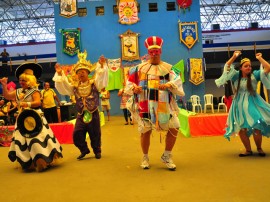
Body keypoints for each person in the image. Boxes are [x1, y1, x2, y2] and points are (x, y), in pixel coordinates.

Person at [125, 36, 185, 170]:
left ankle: (167, 155)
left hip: (164, 106)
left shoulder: (170, 68)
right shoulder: (138, 69)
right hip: (145, 105)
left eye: (156, 52)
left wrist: (169, 84)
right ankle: (145, 157)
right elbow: (129, 84)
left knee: (174, 126)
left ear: (160, 52)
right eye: (151, 52)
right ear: (148, 53)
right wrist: (134, 88)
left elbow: (177, 82)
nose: (154, 54)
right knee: (145, 131)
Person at [0, 63, 63, 172]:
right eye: (20, 80)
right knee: (22, 140)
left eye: (23, 80)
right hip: (22, 119)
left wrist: (27, 104)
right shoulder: (18, 91)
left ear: (30, 81)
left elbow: (38, 102)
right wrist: (4, 86)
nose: (21, 82)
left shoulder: (35, 91)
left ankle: (42, 161)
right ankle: (28, 163)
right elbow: (7, 96)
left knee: (37, 139)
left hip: (35, 118)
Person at [53, 50, 108, 160]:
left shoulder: (94, 83)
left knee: (95, 134)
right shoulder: (74, 86)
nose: (81, 73)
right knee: (77, 134)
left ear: (88, 73)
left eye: (83, 71)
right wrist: (60, 74)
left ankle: (97, 151)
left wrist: (102, 67)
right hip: (81, 114)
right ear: (76, 74)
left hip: (93, 113)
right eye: (79, 72)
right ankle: (84, 150)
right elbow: (63, 87)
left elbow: (102, 80)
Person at [215, 51, 270, 157]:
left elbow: (268, 68)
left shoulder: (255, 75)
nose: (249, 67)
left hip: (254, 104)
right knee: (242, 128)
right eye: (246, 66)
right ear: (241, 68)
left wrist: (260, 59)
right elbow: (227, 66)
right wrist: (234, 56)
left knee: (257, 125)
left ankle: (259, 148)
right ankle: (248, 150)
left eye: (249, 66)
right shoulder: (235, 75)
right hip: (239, 106)